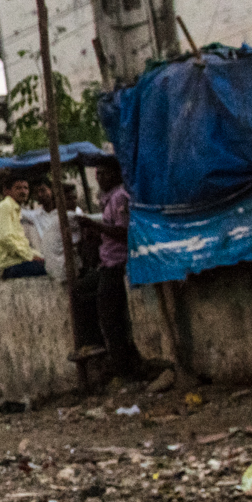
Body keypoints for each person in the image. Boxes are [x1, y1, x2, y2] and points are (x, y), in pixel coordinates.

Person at [79, 159, 145, 379]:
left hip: (118, 264)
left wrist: (93, 225)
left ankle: (124, 369)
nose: (99, 178)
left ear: (116, 175)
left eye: (104, 174)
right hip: (108, 263)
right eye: (98, 174)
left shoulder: (119, 197)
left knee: (112, 319)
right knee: (104, 312)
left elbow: (124, 232)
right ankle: (116, 362)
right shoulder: (107, 199)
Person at [0, 179, 48, 279]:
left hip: (18, 262)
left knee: (51, 264)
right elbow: (6, 238)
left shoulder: (15, 209)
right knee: (54, 270)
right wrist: (30, 257)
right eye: (18, 188)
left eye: (26, 188)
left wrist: (39, 256)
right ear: (8, 191)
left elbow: (21, 242)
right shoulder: (5, 206)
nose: (23, 191)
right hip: (11, 265)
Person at [24, 182, 66, 281]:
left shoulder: (66, 212)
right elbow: (16, 210)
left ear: (51, 190)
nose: (39, 195)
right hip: (50, 260)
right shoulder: (36, 215)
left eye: (42, 190)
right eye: (36, 192)